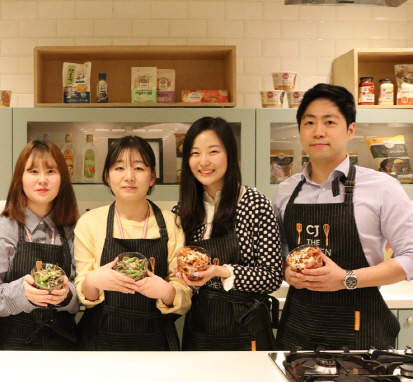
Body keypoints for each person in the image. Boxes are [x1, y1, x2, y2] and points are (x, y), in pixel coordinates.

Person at [273, 83, 413, 350]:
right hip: (297, 332)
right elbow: (276, 253)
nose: (318, 131)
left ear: (350, 129)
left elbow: (411, 255)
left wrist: (347, 278)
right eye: (309, 122)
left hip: (361, 334)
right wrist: (287, 271)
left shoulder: (382, 187)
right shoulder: (285, 190)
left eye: (329, 122)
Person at [174, 117, 283, 351]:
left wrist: (221, 271)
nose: (204, 161)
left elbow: (272, 276)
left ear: (230, 154)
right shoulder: (183, 210)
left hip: (247, 327)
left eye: (213, 151)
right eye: (195, 153)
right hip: (199, 328)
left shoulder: (254, 203)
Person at [74, 135, 191, 350]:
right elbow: (82, 291)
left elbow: (184, 290)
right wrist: (92, 281)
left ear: (152, 177)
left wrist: (166, 292)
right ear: (107, 176)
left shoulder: (172, 223)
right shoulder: (90, 222)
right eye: (119, 168)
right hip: (99, 341)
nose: (129, 177)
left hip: (157, 341)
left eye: (138, 168)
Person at [0, 140, 80, 350]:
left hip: (64, 346)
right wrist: (21, 294)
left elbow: (85, 293)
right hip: (9, 347)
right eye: (33, 171)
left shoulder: (73, 231)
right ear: (20, 179)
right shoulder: (3, 231)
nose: (42, 180)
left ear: (62, 179)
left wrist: (68, 295)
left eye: (51, 171)